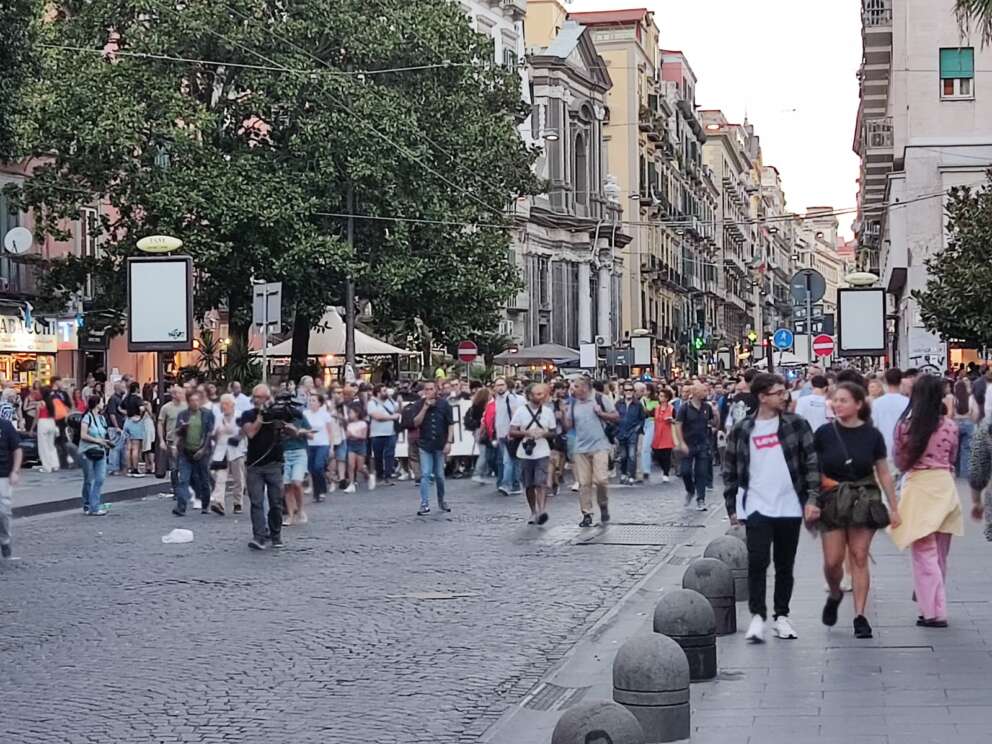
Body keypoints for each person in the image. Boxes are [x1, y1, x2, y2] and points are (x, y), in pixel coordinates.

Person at [723, 373, 819, 643]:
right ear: (762, 396)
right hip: (756, 506)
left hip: (789, 505)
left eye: (784, 392)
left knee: (785, 564)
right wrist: (731, 506)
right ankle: (757, 615)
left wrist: (812, 499)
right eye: (778, 392)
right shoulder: (743, 429)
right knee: (757, 561)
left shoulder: (796, 425)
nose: (784, 396)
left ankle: (781, 615)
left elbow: (811, 462)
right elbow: (730, 469)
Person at [809, 382, 900, 639]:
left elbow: (883, 471)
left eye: (843, 400)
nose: (837, 404)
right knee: (833, 561)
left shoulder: (872, 435)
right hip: (833, 500)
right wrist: (811, 501)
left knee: (859, 556)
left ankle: (860, 616)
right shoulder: (825, 433)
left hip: (863, 498)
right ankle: (835, 590)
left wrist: (894, 507)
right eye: (835, 400)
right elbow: (814, 470)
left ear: (858, 404)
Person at [890, 374, 963, 628]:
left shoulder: (905, 426)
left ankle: (933, 610)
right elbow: (953, 457)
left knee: (924, 554)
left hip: (919, 486)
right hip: (945, 485)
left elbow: (899, 460)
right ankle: (929, 603)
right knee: (941, 553)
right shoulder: (950, 426)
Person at [563, 376, 619, 528]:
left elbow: (616, 416)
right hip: (581, 448)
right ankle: (587, 513)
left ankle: (603, 504)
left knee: (601, 479)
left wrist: (601, 414)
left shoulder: (601, 399)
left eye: (575, 387)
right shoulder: (573, 404)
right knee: (584, 483)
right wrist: (564, 414)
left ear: (585, 388)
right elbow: (568, 425)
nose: (573, 390)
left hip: (600, 445)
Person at [242, 385, 286, 550]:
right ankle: (259, 536)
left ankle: (275, 535)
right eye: (257, 397)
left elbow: (291, 430)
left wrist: (285, 425)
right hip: (255, 465)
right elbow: (251, 433)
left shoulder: (276, 414)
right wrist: (261, 415)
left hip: (274, 464)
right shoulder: (248, 415)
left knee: (275, 503)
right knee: (256, 502)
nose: (259, 400)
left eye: (263, 397)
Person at [509, 383, 557, 525]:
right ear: (529, 396)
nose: (540, 396)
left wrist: (544, 433)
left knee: (541, 482)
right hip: (525, 452)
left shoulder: (548, 412)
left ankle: (541, 511)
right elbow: (512, 431)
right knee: (529, 484)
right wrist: (527, 433)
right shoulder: (521, 411)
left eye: (541, 393)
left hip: (542, 451)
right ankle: (533, 511)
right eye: (537, 394)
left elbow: (554, 433)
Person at [412, 380, 454, 516]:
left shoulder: (444, 404)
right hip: (425, 444)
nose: (428, 392)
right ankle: (424, 504)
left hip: (440, 444)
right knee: (425, 474)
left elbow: (450, 424)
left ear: (436, 390)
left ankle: (442, 500)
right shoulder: (419, 404)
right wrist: (425, 408)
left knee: (440, 476)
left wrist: (449, 442)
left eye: (431, 389)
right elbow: (416, 422)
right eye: (426, 389)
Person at [673, 382, 716, 511]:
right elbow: (678, 425)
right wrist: (681, 443)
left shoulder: (707, 407)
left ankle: (701, 499)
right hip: (688, 443)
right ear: (696, 392)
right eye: (704, 391)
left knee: (701, 472)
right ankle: (690, 490)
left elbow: (713, 421)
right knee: (685, 471)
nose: (706, 393)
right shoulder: (685, 408)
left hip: (702, 443)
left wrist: (715, 423)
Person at [172, 390, 215, 516]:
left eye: (197, 400)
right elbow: (177, 432)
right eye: (192, 401)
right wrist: (182, 428)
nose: (195, 403)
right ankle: (181, 507)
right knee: (183, 479)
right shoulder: (183, 415)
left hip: (202, 452)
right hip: (186, 452)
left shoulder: (207, 414)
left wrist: (203, 449)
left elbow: (209, 433)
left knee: (204, 479)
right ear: (188, 402)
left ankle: (205, 505)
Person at [207, 394, 245, 516]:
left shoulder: (240, 416)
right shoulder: (218, 417)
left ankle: (237, 502)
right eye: (222, 404)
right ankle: (219, 503)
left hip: (237, 451)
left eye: (226, 404)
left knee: (238, 478)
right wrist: (216, 433)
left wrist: (232, 432)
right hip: (221, 451)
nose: (224, 407)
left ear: (232, 405)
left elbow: (243, 432)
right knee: (220, 478)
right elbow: (212, 434)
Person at [77, 395, 112, 517]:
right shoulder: (87, 417)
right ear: (97, 404)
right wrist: (98, 441)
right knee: (89, 479)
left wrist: (107, 442)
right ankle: (90, 505)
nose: (103, 404)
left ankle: (94, 505)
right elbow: (83, 435)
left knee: (100, 478)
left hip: (100, 450)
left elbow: (103, 434)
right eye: (102, 402)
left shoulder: (102, 419)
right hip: (87, 450)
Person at [281, 403, 312, 522]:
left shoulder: (300, 417)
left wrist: (299, 431)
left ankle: (300, 510)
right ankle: (290, 514)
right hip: (285, 453)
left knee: (296, 482)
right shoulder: (279, 419)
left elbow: (311, 435)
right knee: (287, 485)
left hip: (299, 452)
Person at [493, 377, 524, 497]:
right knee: (513, 461)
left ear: (506, 386)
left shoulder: (510, 398)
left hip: (509, 434)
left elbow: (514, 414)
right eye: (497, 385)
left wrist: (512, 431)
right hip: (501, 434)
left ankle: (506, 485)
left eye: (502, 384)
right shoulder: (497, 399)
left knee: (508, 461)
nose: (500, 387)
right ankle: (516, 485)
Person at [871, 368, 910, 463]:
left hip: (883, 449)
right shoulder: (908, 402)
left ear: (885, 381)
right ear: (901, 381)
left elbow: (873, 426)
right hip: (904, 450)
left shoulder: (876, 403)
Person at [368, 385, 400, 487]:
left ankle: (388, 476)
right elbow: (377, 416)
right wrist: (392, 417)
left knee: (390, 454)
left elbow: (398, 411)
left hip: (391, 432)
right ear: (378, 393)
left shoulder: (390, 401)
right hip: (377, 433)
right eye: (384, 391)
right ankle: (380, 475)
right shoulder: (372, 403)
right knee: (378, 455)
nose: (386, 392)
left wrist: (398, 402)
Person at [0, 413, 22, 559]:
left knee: (3, 511)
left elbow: (17, 449)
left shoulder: (5, 426)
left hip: (3, 474)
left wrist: (15, 471)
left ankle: (5, 541)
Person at [156, 387, 186, 495]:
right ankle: (176, 489)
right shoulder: (166, 408)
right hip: (172, 440)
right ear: (173, 395)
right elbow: (160, 423)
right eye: (179, 393)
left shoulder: (186, 406)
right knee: (174, 467)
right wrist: (161, 440)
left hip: (186, 441)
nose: (182, 394)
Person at [304, 393, 333, 503]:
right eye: (310, 400)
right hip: (310, 445)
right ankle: (317, 492)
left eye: (313, 400)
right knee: (312, 469)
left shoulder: (324, 414)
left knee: (318, 466)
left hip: (322, 444)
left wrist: (331, 447)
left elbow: (330, 432)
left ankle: (322, 489)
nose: (311, 403)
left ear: (319, 403)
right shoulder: (305, 414)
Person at [615, 382, 646, 485]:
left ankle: (631, 476)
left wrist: (637, 428)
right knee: (623, 455)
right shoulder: (619, 404)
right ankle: (623, 474)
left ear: (633, 392)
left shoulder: (638, 404)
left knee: (632, 455)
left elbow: (642, 418)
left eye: (630, 390)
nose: (628, 392)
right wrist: (616, 429)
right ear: (623, 392)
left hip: (633, 432)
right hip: (621, 432)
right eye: (626, 390)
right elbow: (614, 417)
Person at [950, 377, 979, 478]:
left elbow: (951, 413)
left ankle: (955, 472)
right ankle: (964, 473)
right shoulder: (971, 398)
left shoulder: (953, 399)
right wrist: (973, 421)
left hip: (956, 423)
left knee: (955, 449)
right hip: (968, 423)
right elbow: (975, 413)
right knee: (966, 449)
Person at [343, 402, 371, 494]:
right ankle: (351, 484)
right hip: (351, 445)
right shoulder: (349, 425)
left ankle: (368, 475)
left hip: (360, 445)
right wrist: (348, 435)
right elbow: (347, 435)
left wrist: (353, 435)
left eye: (351, 412)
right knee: (351, 465)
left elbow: (363, 436)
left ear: (357, 413)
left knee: (360, 468)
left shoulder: (363, 424)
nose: (350, 414)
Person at [468, 386, 493, 485]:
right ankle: (477, 473)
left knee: (484, 452)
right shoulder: (484, 406)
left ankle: (482, 474)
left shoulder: (475, 405)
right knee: (484, 453)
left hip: (477, 430)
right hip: (482, 429)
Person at [651, 388, 676, 482]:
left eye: (662, 396)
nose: (660, 397)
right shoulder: (657, 408)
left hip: (667, 434)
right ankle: (663, 468)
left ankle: (666, 473)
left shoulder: (672, 408)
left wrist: (671, 420)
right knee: (657, 455)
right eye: (659, 395)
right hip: (658, 433)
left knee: (666, 455)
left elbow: (676, 420)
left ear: (666, 398)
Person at [122, 382, 147, 477]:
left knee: (128, 447)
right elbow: (142, 409)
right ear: (136, 388)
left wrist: (127, 413)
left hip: (127, 422)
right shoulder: (137, 398)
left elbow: (120, 408)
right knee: (136, 447)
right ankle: (135, 469)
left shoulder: (126, 398)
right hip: (135, 422)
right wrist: (140, 417)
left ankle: (129, 468)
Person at [35, 387, 60, 473]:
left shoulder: (41, 403)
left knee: (43, 446)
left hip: (43, 422)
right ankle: (55, 464)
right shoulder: (52, 403)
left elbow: (37, 416)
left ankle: (47, 467)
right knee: (51, 445)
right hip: (51, 422)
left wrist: (32, 428)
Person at [640, 384, 659, 482]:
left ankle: (646, 470)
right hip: (642, 423)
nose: (645, 392)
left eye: (647, 390)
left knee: (646, 447)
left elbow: (655, 413)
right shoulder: (640, 400)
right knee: (642, 448)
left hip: (651, 422)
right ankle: (643, 468)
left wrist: (647, 409)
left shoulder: (655, 401)